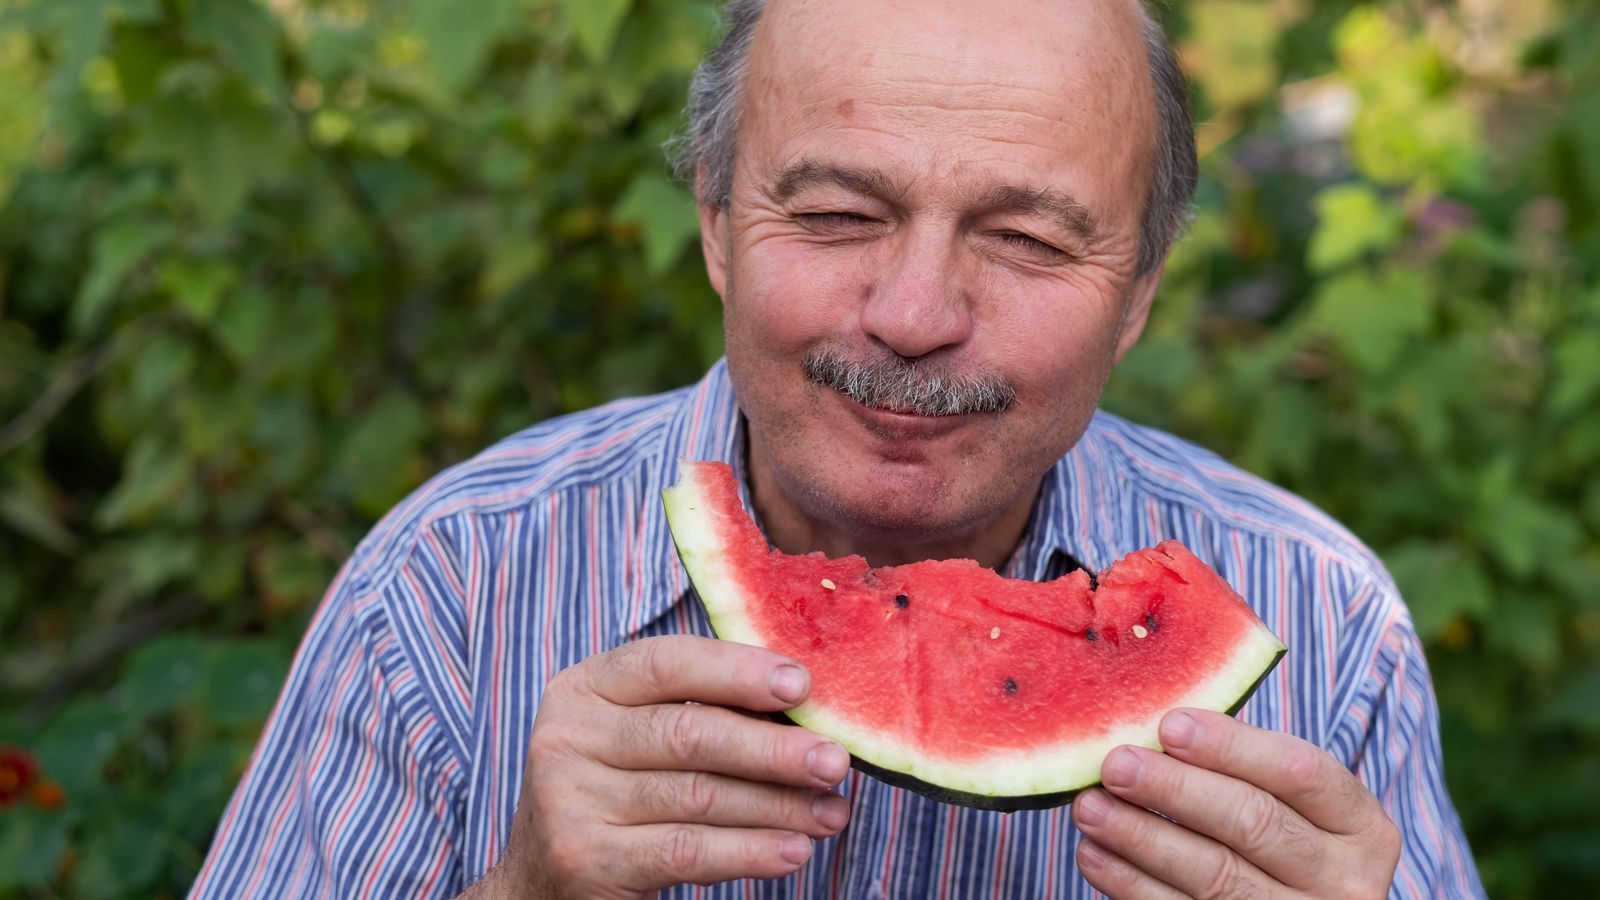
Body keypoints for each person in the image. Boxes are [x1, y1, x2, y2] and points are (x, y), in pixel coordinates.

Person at [188, 0, 1487, 896]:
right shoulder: (452, 585)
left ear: (1140, 291)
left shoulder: (1321, 624)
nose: (914, 316)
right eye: (836, 213)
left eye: (1029, 242)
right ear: (715, 226)